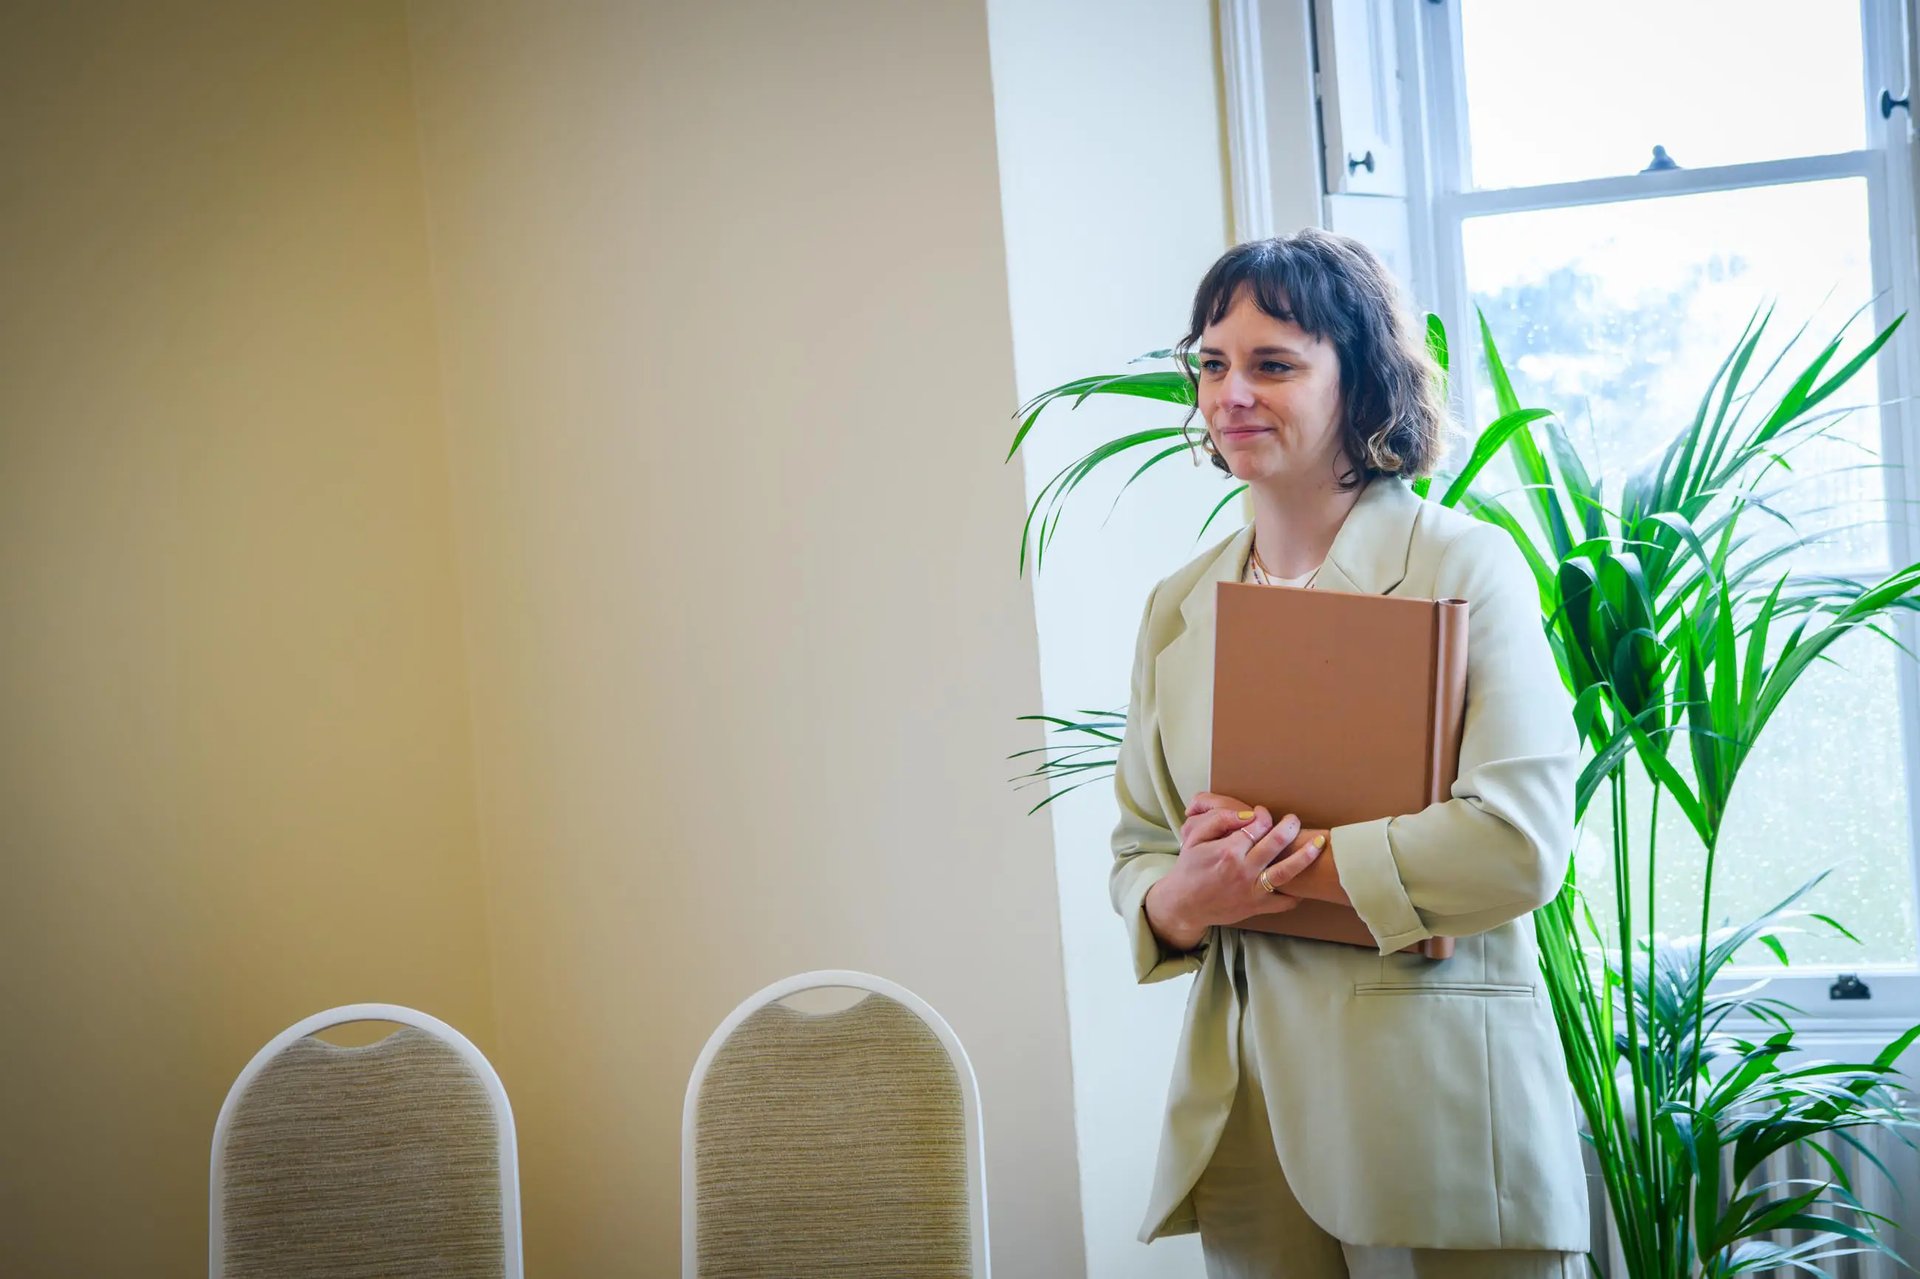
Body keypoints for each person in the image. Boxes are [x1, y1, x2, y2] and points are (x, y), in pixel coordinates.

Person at [1109, 229, 1589, 1279]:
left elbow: (1516, 844)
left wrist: (1273, 871)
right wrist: (1183, 900)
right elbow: (1141, 851)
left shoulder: (1465, 563)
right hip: (1247, 1127)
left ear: (1361, 379)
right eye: (1212, 361)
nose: (1231, 391)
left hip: (1437, 1121)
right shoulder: (1177, 607)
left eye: (1273, 363)